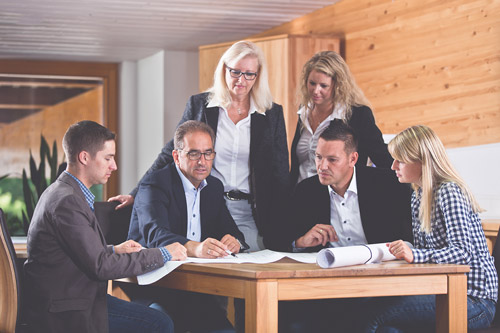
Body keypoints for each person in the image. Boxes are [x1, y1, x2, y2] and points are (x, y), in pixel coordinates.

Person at [110, 40, 289, 253]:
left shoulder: (271, 113)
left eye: (249, 74)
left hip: (250, 208)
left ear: (258, 76)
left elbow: (280, 172)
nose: (242, 80)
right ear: (224, 69)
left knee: (247, 258)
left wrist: (286, 224)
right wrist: (136, 192)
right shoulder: (201, 105)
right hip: (206, 200)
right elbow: (173, 151)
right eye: (235, 72)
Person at [24, 120, 187, 333]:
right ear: (84, 157)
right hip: (69, 310)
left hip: (76, 298)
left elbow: (77, 254)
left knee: (158, 311)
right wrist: (164, 253)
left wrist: (113, 249)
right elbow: (102, 266)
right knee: (160, 322)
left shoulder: (63, 192)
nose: (114, 166)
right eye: (108, 158)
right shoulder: (67, 202)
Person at [275, 120, 412, 332]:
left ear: (353, 159)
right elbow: (277, 237)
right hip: (326, 289)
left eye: (332, 160)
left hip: (379, 285)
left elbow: (411, 235)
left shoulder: (387, 185)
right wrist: (300, 241)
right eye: (319, 157)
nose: (322, 166)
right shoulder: (306, 191)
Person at [360, 125, 498, 332]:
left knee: (377, 313)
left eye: (401, 160)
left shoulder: (449, 192)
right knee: (386, 326)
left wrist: (414, 255)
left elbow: (463, 253)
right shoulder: (419, 195)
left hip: (473, 302)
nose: (393, 166)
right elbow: (426, 252)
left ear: (423, 161)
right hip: (443, 293)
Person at [128, 120, 244, 332]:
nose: (202, 161)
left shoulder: (214, 187)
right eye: (194, 154)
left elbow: (231, 230)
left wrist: (234, 241)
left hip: (195, 290)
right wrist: (196, 248)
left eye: (208, 153)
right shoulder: (154, 184)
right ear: (176, 156)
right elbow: (155, 236)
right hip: (157, 286)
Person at [290, 50, 393, 186]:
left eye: (323, 86)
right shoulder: (304, 111)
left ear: (337, 86)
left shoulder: (358, 115)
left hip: (338, 199)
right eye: (312, 83)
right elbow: (298, 165)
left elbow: (381, 158)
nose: (316, 91)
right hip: (301, 197)